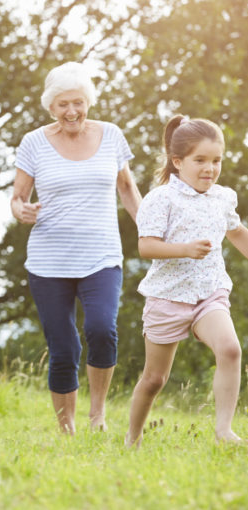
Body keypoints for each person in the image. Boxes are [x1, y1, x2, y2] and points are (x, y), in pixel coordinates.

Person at [10, 61, 141, 435]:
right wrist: (22, 210)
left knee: (102, 329)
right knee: (63, 346)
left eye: (78, 103)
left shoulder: (111, 135)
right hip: (49, 262)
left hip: (101, 256)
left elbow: (128, 189)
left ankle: (97, 414)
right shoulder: (34, 142)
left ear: (88, 102)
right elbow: (17, 198)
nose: (72, 112)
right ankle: (65, 427)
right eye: (64, 104)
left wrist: (150, 229)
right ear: (51, 107)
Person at [125, 116, 248, 446]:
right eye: (201, 161)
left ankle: (224, 431)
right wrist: (184, 249)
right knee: (154, 379)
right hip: (168, 297)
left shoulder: (222, 198)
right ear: (177, 162)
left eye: (216, 160)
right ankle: (132, 440)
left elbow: (236, 233)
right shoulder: (161, 199)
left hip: (209, 293)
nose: (210, 168)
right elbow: (146, 246)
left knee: (230, 349)